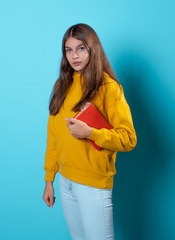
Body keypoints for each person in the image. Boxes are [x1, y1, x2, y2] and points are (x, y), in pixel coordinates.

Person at [42, 23, 137, 240]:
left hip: (93, 185)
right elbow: (53, 136)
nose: (74, 56)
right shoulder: (61, 86)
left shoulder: (108, 88)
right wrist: (49, 179)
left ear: (92, 49)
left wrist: (91, 133)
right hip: (65, 182)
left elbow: (129, 139)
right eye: (69, 50)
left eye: (81, 48)